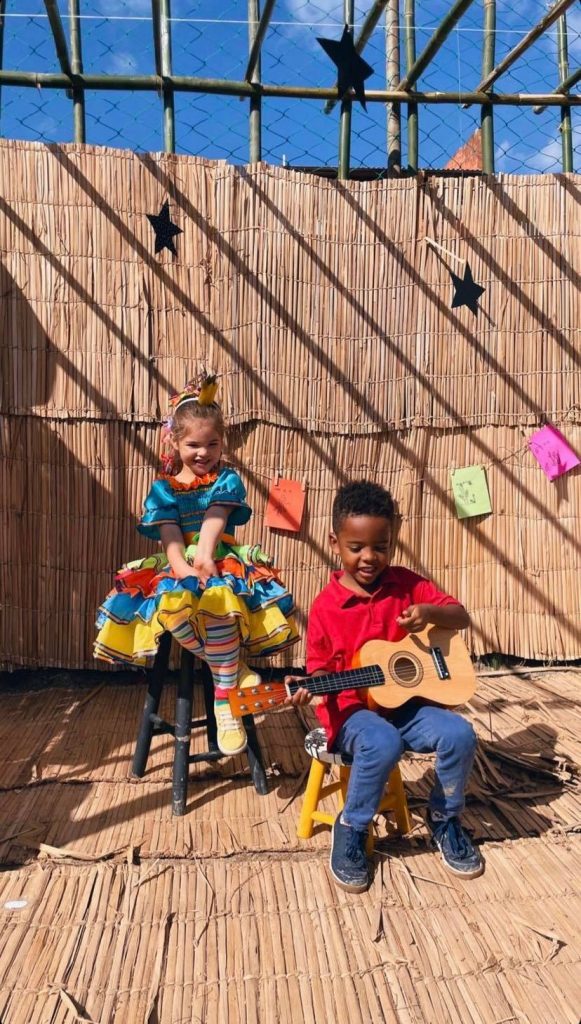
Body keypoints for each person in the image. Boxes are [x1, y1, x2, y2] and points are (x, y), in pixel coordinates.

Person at [289, 480, 483, 893]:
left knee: (460, 733)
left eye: (381, 546)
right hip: (353, 714)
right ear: (335, 541)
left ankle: (445, 819)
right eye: (356, 547)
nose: (369, 557)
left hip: (409, 705)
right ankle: (353, 827)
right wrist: (311, 686)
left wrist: (429, 612)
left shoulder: (407, 585)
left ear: (393, 541)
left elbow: (460, 617)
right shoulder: (326, 606)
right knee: (381, 742)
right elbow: (322, 670)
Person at [95, 374, 299, 756]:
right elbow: (170, 536)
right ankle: (232, 673)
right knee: (171, 608)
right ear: (174, 441)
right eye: (193, 444)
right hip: (178, 561)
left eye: (213, 444)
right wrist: (183, 568)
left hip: (217, 556)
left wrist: (205, 559)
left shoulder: (226, 480)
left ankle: (223, 702)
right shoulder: (163, 489)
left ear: (223, 443)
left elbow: (215, 521)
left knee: (219, 603)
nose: (203, 453)